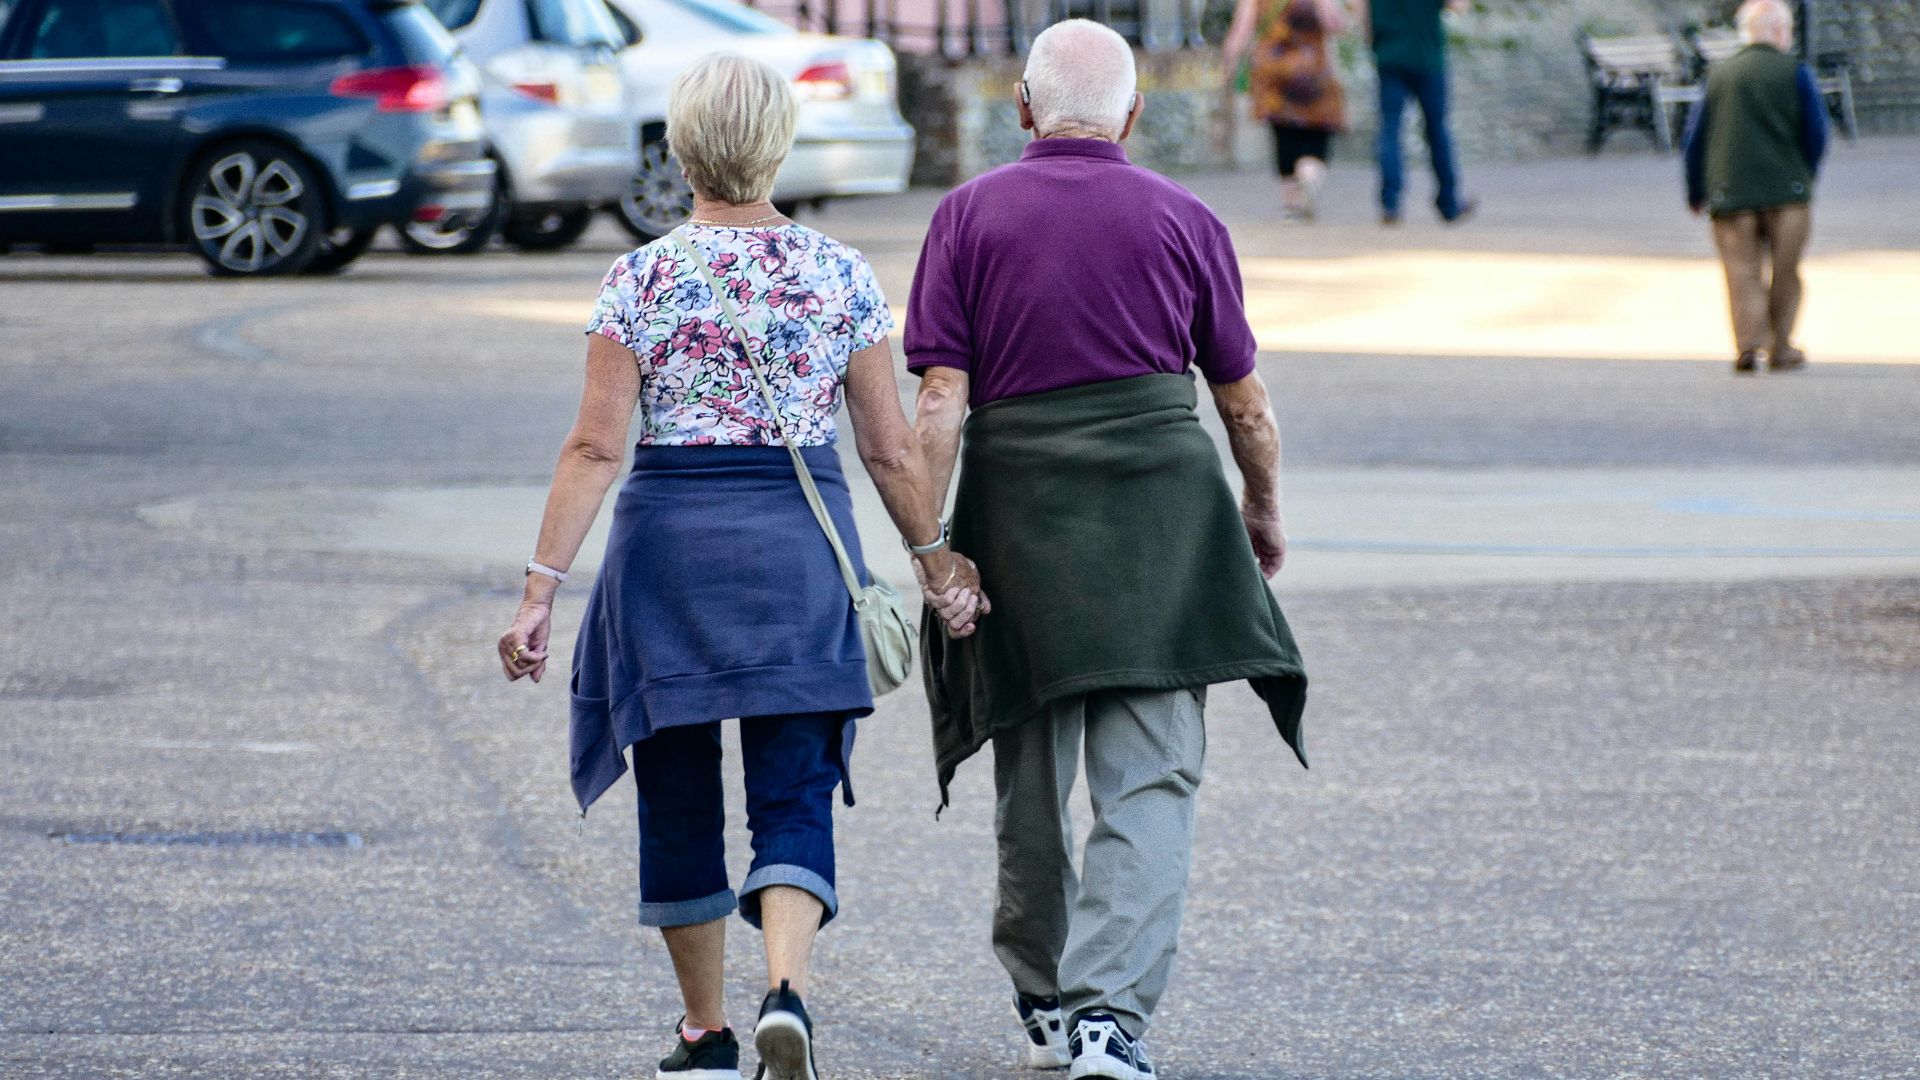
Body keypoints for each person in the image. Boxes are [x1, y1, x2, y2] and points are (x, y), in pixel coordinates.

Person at [495, 53, 987, 1080]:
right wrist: (935, 562)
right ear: (778, 147)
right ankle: (789, 994)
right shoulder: (841, 274)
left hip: (665, 555)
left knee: (676, 790)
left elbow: (594, 448)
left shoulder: (639, 276)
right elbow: (890, 448)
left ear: (680, 150)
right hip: (798, 552)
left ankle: (707, 1034)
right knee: (794, 788)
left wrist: (542, 586)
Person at [905, 20, 1309, 1080]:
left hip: (1020, 515)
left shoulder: (967, 216)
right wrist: (1259, 511)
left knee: (1029, 769)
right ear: (1133, 115)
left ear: (1024, 111)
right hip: (1160, 522)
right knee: (1152, 776)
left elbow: (940, 402)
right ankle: (1107, 1022)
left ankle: (1043, 995)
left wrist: (933, 547)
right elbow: (1244, 404)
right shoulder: (1186, 217)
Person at [1683, 0, 1829, 375]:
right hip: (1788, 191)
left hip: (1731, 191)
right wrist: (1804, 174)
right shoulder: (1795, 72)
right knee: (1786, 271)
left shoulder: (1719, 75)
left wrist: (1696, 190)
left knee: (1741, 270)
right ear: (1781, 31)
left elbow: (1694, 138)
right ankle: (1781, 347)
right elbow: (1816, 132)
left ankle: (1748, 346)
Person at [1222, 0, 1354, 223]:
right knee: (1317, 136)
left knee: (1283, 137)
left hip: (1275, 74)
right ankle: (1309, 177)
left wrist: (1229, 64)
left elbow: (1241, 30)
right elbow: (1336, 25)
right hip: (1314, 72)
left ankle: (1292, 204)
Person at [1355, 0, 1476, 224]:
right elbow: (1458, 6)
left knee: (1390, 127)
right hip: (1427, 56)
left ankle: (1390, 202)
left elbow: (1360, 9)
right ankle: (1448, 202)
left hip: (1390, 54)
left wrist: (1372, 39)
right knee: (1437, 130)